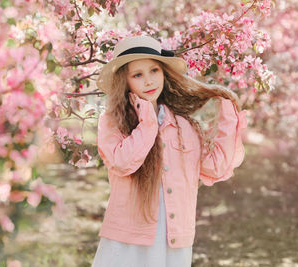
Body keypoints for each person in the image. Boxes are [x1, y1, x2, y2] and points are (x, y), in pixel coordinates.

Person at [91, 35, 247, 267]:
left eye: (154, 70)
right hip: (128, 238)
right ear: (126, 81)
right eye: (137, 75)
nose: (148, 80)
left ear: (164, 73)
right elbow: (123, 162)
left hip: (173, 238)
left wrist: (227, 110)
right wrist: (147, 121)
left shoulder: (182, 126)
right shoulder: (113, 122)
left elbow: (215, 167)